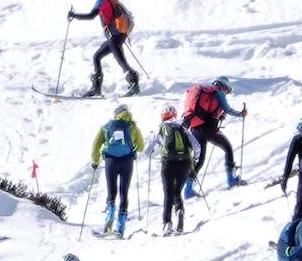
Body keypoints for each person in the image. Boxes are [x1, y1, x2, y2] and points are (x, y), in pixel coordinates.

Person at [69, 0, 139, 97]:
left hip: (114, 36)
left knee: (121, 62)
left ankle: (134, 84)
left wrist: (74, 15)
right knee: (97, 56)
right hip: (118, 35)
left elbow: (91, 15)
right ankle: (96, 88)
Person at [182, 77, 246, 190]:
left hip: (195, 127)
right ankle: (231, 179)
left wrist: (217, 115)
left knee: (199, 160)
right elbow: (227, 109)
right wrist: (240, 114)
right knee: (228, 148)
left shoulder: (207, 91)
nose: (226, 93)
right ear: (225, 86)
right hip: (208, 129)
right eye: (227, 90)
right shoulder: (218, 91)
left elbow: (209, 110)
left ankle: (188, 189)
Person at [91, 104, 144, 238]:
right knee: (123, 193)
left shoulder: (107, 126)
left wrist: (95, 162)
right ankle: (120, 228)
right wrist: (133, 146)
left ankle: (108, 221)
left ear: (116, 114)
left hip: (111, 161)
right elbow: (141, 147)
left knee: (111, 192)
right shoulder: (133, 127)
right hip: (127, 162)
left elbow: (95, 146)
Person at [146, 105, 198, 234]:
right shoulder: (183, 128)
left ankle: (167, 223)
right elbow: (197, 147)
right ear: (175, 115)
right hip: (185, 163)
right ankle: (179, 211)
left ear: (162, 116)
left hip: (168, 163)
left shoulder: (160, 129)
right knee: (176, 192)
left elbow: (147, 151)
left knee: (168, 193)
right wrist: (195, 159)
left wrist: (153, 150)